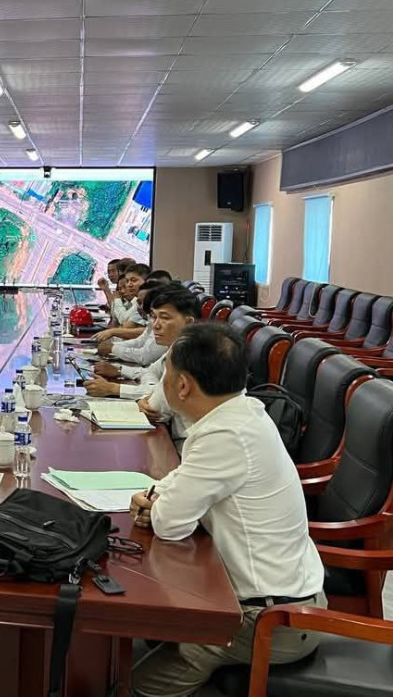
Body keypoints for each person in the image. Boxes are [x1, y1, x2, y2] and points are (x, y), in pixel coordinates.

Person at [130, 324, 326, 696]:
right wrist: (155, 494)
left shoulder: (225, 435)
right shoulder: (242, 412)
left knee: (134, 685)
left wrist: (155, 507)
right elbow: (182, 480)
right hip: (269, 600)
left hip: (268, 620)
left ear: (182, 385)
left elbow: (170, 524)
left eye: (166, 372)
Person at [85, 285, 199, 400]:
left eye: (165, 318)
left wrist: (113, 388)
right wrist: (120, 371)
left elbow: (165, 396)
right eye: (154, 317)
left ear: (189, 322)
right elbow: (150, 373)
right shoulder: (174, 348)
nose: (156, 325)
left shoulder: (194, 356)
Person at [98, 278, 171, 363]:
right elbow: (140, 341)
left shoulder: (164, 325)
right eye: (139, 303)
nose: (129, 285)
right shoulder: (151, 319)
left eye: (133, 280)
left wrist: (113, 348)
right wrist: (111, 346)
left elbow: (145, 357)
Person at [93, 263, 154, 342]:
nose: (129, 285)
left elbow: (125, 323)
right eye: (127, 281)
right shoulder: (136, 300)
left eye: (133, 280)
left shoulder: (147, 302)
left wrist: (113, 333)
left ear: (147, 281)